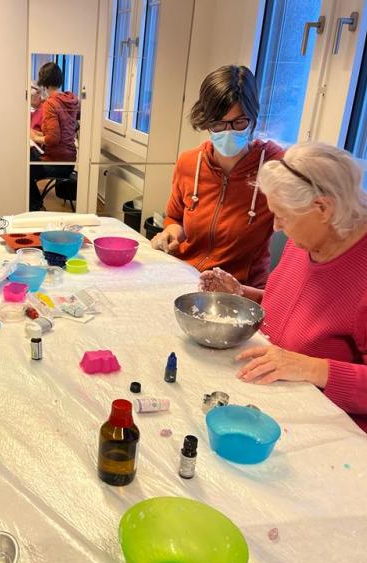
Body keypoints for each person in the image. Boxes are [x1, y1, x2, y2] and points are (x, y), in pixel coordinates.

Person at [199, 142, 367, 432]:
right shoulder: (308, 240)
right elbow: (296, 308)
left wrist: (311, 368)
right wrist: (241, 294)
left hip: (329, 427)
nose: (276, 227)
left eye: (284, 216)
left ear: (323, 208)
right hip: (273, 391)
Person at [151, 65, 283, 288]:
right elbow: (175, 218)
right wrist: (171, 234)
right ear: (205, 120)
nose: (228, 131)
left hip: (239, 291)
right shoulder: (189, 163)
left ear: (253, 117)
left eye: (239, 122)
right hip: (186, 278)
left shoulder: (275, 167)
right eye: (218, 124)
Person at [29, 62, 79, 211]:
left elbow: (53, 139)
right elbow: (61, 132)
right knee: (30, 156)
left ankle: (37, 208)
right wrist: (37, 134)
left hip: (57, 163)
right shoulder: (70, 100)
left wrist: (33, 137)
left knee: (23, 169)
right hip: (69, 162)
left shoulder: (51, 103)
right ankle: (35, 206)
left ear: (43, 81)